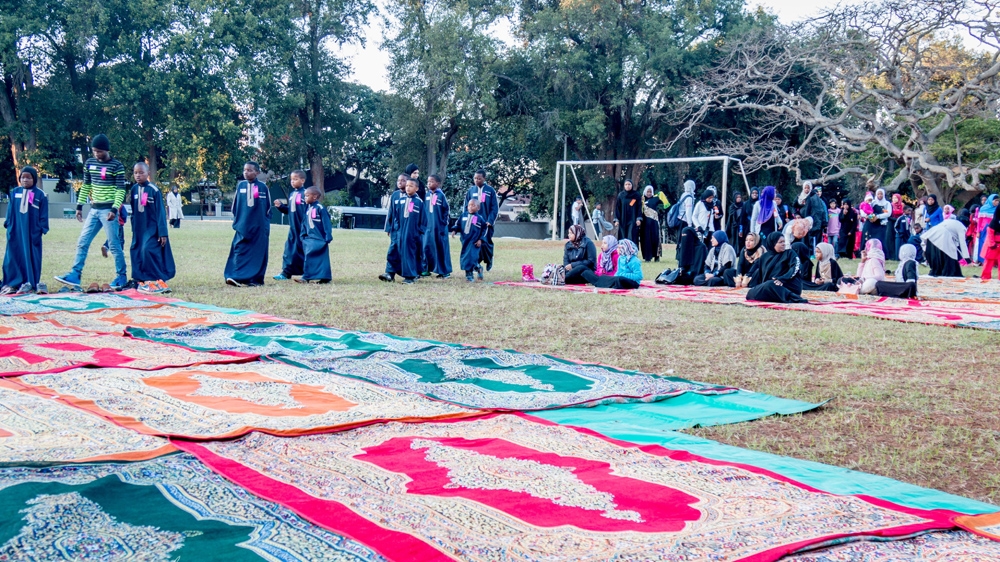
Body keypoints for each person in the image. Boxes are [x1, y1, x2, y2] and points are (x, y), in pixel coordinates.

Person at [55, 134, 128, 291]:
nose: (96, 154)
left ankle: (121, 277)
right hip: (94, 210)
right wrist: (80, 206)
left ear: (106, 150)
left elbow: (120, 190)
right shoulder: (89, 163)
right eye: (94, 151)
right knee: (83, 241)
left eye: (99, 151)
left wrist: (115, 209)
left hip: (109, 210)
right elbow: (86, 185)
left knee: (114, 245)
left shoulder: (117, 166)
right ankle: (75, 274)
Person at [128, 162, 175, 294]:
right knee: (136, 250)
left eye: (141, 172)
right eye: (135, 173)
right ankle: (140, 279)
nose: (138, 175)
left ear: (148, 174)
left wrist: (162, 232)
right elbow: (133, 210)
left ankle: (156, 278)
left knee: (147, 250)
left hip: (152, 228)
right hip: (138, 228)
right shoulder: (133, 190)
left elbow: (160, 212)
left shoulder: (154, 190)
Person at [1, 166, 48, 294]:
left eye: (28, 177)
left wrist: (41, 228)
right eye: (23, 177)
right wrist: (8, 224)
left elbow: (43, 214)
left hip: (31, 232)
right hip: (16, 230)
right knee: (13, 256)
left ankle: (29, 282)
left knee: (30, 256)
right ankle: (11, 282)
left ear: (34, 179)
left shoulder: (40, 195)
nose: (25, 180)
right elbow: (10, 211)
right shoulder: (15, 192)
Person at [224, 161, 272, 287]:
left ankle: (254, 279)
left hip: (259, 228)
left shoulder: (262, 187)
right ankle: (235, 277)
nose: (246, 172)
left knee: (258, 253)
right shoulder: (240, 186)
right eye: (245, 170)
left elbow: (268, 209)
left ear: (257, 172)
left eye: (250, 170)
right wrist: (238, 222)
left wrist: (264, 226)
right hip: (243, 226)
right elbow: (235, 207)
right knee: (239, 250)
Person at [383, 177, 425, 284]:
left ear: (416, 188)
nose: (408, 188)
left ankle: (410, 276)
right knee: (394, 252)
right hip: (399, 232)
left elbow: (423, 220)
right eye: (407, 186)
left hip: (412, 234)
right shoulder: (401, 201)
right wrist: (395, 229)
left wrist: (418, 232)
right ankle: (390, 273)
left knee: (409, 254)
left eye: (411, 186)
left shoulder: (419, 202)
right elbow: (395, 216)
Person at [746, 232, 807, 303]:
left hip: (788, 285)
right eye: (780, 242)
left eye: (784, 241)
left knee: (770, 285)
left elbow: (796, 268)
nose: (783, 244)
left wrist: (782, 279)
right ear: (773, 243)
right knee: (750, 293)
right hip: (771, 286)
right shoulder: (764, 257)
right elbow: (761, 276)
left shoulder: (790, 253)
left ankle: (793, 297)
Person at [273, 170, 308, 281]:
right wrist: (281, 207)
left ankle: (307, 273)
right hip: (293, 228)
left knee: (303, 251)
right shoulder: (292, 194)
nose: (293, 182)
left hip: (303, 228)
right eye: (291, 179)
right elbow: (291, 210)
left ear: (302, 180)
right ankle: (286, 273)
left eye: (295, 179)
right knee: (289, 250)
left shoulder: (306, 193)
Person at [465, 169, 498, 271]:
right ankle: (476, 264)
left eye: (479, 178)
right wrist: (467, 220)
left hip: (486, 223)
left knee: (486, 243)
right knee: (475, 243)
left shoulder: (490, 190)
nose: (477, 180)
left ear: (484, 178)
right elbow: (466, 207)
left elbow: (494, 208)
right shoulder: (471, 191)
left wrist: (490, 220)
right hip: (474, 223)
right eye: (475, 178)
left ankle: (489, 259)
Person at [298, 186, 332, 284]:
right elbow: (304, 223)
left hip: (320, 238)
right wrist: (303, 234)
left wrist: (328, 235)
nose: (305, 198)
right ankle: (313, 277)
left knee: (321, 259)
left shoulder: (320, 208)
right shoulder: (308, 208)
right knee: (309, 257)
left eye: (307, 196)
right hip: (309, 238)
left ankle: (318, 277)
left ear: (315, 197)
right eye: (305, 196)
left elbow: (327, 223)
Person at [380, 174, 410, 283]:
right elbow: (391, 212)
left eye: (403, 180)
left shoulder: (412, 197)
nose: (400, 182)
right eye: (398, 180)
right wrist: (388, 227)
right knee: (393, 250)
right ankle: (389, 273)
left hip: (407, 230)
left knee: (406, 251)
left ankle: (410, 274)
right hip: (395, 229)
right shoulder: (395, 195)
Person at [422, 174, 452, 279]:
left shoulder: (441, 196)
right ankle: (426, 269)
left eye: (431, 181)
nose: (429, 183)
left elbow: (446, 211)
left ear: (438, 184)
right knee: (426, 247)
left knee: (441, 248)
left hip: (439, 228)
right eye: (428, 182)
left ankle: (444, 271)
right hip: (428, 227)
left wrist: (443, 224)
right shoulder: (426, 195)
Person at [455, 198, 487, 282]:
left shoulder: (479, 218)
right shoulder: (463, 216)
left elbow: (484, 229)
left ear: (478, 208)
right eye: (469, 205)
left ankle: (469, 276)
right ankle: (478, 267)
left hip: (474, 242)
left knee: (470, 258)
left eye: (473, 205)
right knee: (466, 258)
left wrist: (480, 239)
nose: (470, 207)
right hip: (465, 241)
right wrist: (455, 230)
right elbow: (458, 224)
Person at [797, 181, 827, 251]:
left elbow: (820, 211)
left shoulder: (815, 198)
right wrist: (797, 214)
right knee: (805, 239)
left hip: (813, 221)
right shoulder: (800, 197)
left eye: (808, 188)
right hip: (803, 221)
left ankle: (814, 252)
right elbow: (795, 207)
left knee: (813, 238)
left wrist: (823, 222)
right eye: (805, 188)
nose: (807, 189)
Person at [613, 179, 642, 245]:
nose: (627, 186)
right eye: (626, 184)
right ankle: (623, 252)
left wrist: (638, 219)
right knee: (623, 236)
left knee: (631, 235)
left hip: (633, 219)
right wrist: (616, 220)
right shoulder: (621, 195)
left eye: (629, 184)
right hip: (623, 220)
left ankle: (632, 252)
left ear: (632, 185)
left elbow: (639, 207)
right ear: (624, 186)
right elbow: (618, 208)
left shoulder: (636, 195)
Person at [640, 185, 662, 262]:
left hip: (654, 223)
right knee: (646, 239)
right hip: (645, 224)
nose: (649, 193)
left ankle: (657, 256)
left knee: (655, 239)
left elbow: (666, 204)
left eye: (650, 192)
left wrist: (661, 195)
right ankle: (647, 257)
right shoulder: (641, 199)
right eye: (647, 192)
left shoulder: (656, 199)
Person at [975, 194, 998, 264]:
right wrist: (978, 231)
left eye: (998, 201)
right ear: (991, 200)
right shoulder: (983, 208)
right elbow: (979, 221)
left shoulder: (997, 209)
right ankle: (982, 260)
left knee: (993, 244)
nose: (997, 202)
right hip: (983, 230)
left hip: (994, 230)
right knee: (983, 244)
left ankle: (993, 262)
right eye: (995, 200)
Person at [980, 204, 1000, 280]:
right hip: (993, 245)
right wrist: (992, 244)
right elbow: (990, 232)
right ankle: (985, 277)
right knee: (989, 261)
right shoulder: (994, 221)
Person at [888, 193, 905, 259]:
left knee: (899, 238)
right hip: (891, 222)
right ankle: (892, 256)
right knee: (891, 238)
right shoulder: (890, 205)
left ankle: (898, 255)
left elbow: (904, 213)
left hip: (900, 223)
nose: (894, 200)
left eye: (896, 198)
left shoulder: (902, 205)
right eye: (893, 198)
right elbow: (888, 214)